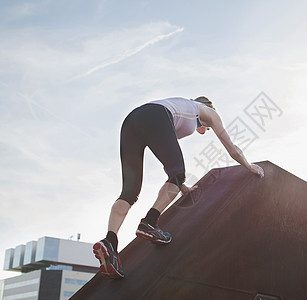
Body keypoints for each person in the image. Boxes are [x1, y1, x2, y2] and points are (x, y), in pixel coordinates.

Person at [93, 96, 264, 279]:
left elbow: (168, 160)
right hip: (155, 116)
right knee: (178, 174)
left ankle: (110, 242)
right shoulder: (208, 113)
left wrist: (182, 186)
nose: (206, 131)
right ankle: (149, 223)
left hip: (131, 121)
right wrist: (248, 165)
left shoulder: (181, 109)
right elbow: (232, 149)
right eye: (206, 128)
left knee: (130, 192)